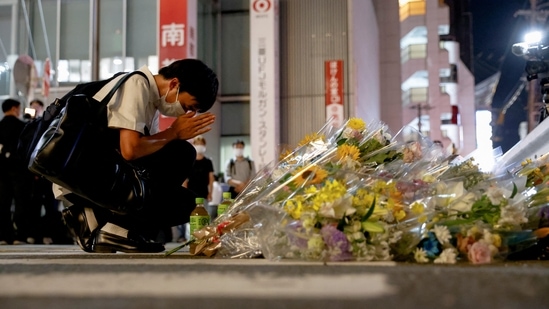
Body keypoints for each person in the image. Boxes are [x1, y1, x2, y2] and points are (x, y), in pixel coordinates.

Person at [58, 58, 219, 253]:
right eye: (189, 107)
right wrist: (173, 134)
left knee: (189, 205)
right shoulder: (137, 84)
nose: (188, 114)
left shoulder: (152, 106)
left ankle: (96, 220)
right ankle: (117, 227)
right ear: (175, 84)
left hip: (103, 173)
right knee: (182, 153)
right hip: (83, 171)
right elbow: (130, 150)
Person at [0, 99, 34, 245]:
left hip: (1, 167)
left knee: (3, 201)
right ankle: (20, 235)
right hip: (18, 168)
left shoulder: (0, 126)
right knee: (21, 201)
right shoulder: (22, 126)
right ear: (14, 108)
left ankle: (3, 235)